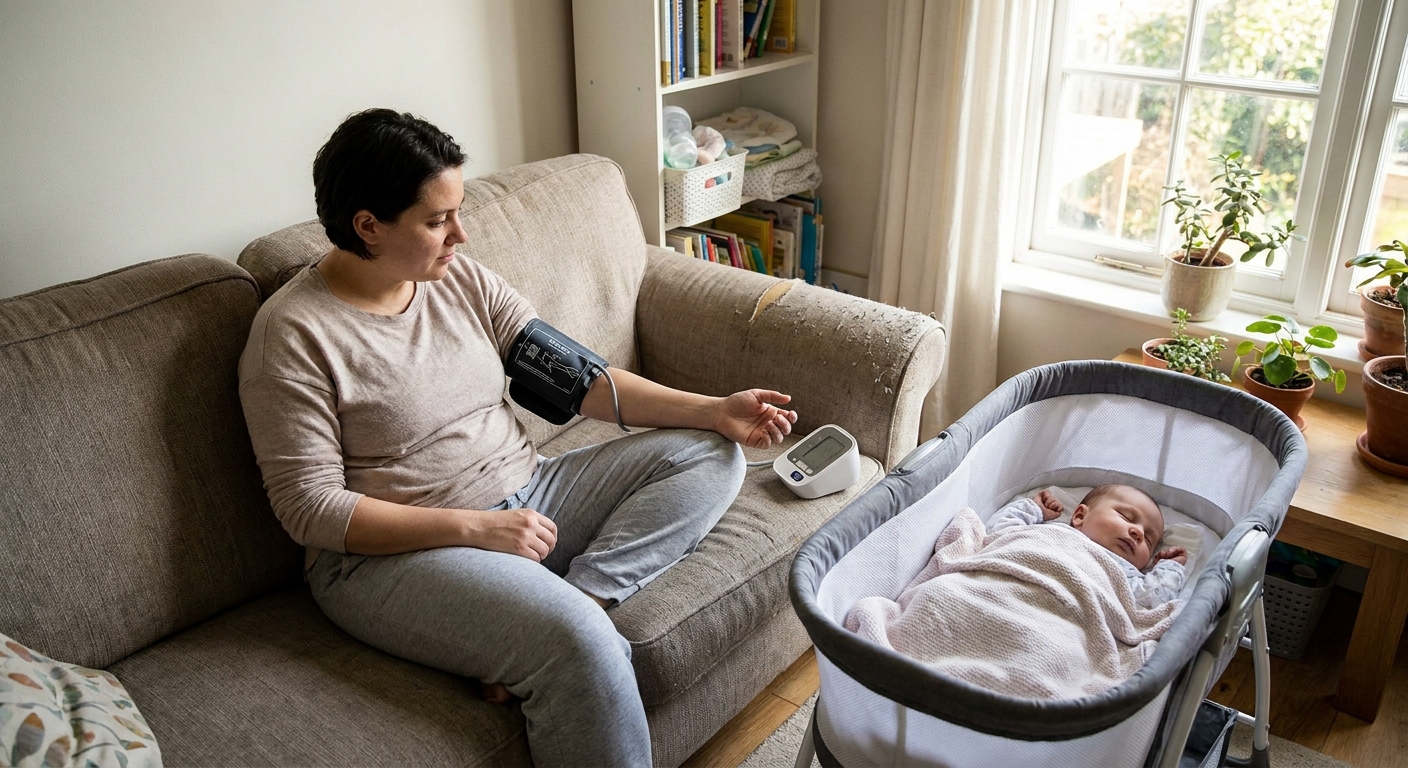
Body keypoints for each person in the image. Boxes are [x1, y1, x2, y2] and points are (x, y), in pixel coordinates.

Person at [237, 108, 798, 768]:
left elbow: (580, 381)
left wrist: (713, 409)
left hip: (531, 490)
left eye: (459, 211)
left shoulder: (458, 280)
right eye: (437, 220)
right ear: (368, 226)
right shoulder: (295, 335)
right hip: (388, 558)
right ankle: (569, 624)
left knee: (705, 450)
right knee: (579, 643)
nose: (461, 235)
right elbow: (310, 511)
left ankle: (585, 592)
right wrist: (471, 529)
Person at [990, 484, 1188, 608]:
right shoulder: (1051, 532)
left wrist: (1170, 568)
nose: (1138, 533)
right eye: (1126, 517)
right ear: (1079, 516)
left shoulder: (1128, 578)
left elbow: (1153, 602)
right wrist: (1033, 509)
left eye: (1148, 540)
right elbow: (999, 533)